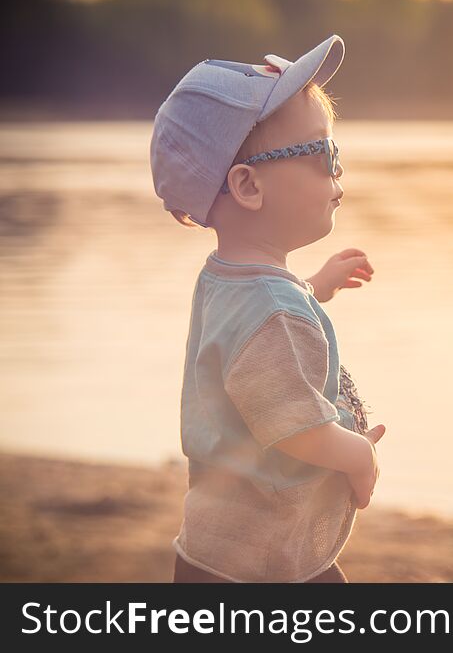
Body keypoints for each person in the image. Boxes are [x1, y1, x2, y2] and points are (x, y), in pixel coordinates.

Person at [149, 34, 386, 583]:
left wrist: (314, 288)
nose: (338, 174)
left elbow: (249, 339)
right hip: (261, 566)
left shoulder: (228, 280)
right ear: (248, 186)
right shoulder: (274, 315)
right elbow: (296, 430)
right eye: (324, 155)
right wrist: (356, 456)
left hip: (218, 549)